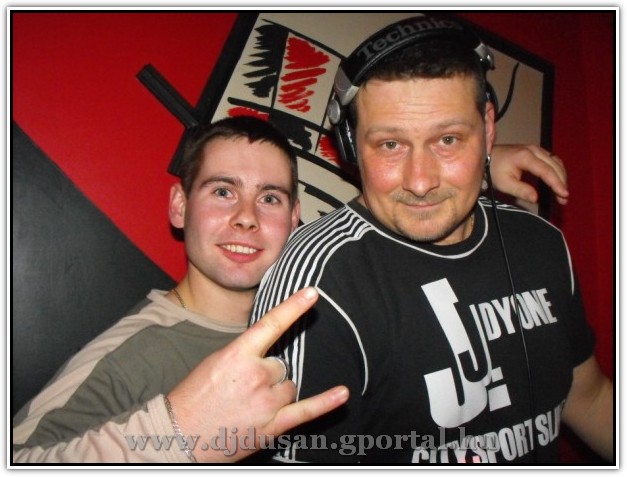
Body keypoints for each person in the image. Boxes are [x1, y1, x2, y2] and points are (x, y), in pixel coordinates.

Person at [12, 97, 569, 462]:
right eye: (223, 191)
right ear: (180, 206)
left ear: (296, 217)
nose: (246, 218)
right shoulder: (134, 353)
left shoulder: (322, 303)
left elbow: (384, 216)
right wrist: (178, 433)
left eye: (270, 198)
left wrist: (474, 166)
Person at [252, 14, 613, 464]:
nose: (420, 181)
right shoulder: (316, 286)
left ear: (488, 129)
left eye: (448, 140)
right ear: (350, 145)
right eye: (390, 145)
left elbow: (588, 396)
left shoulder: (541, 242)